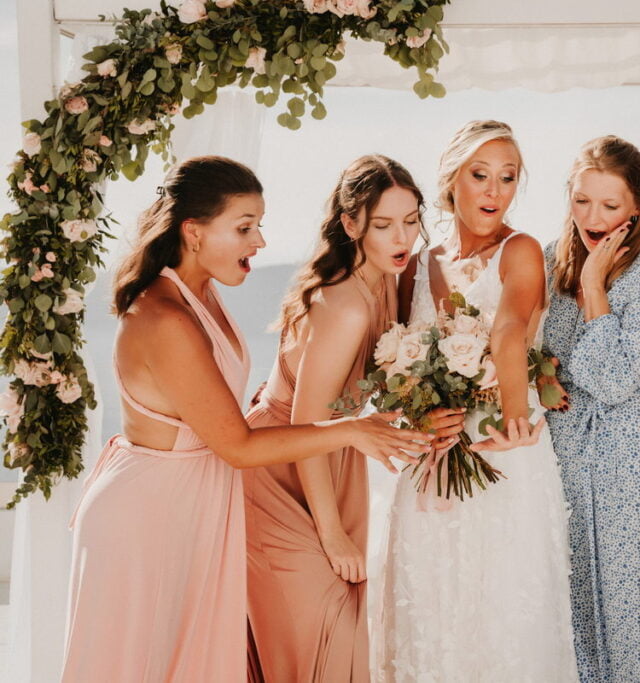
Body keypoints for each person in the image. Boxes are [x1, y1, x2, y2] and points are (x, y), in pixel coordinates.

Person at [62, 156, 429, 683]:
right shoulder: (165, 317)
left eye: (258, 225)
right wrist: (349, 430)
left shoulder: (201, 293)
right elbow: (237, 445)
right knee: (138, 664)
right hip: (150, 511)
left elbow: (231, 398)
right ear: (193, 232)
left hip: (201, 496)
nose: (260, 241)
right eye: (244, 228)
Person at [244, 155, 459, 683]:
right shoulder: (347, 305)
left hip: (334, 459)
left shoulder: (388, 279)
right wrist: (332, 533)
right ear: (351, 223)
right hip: (283, 469)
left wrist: (425, 418)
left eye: (410, 219)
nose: (402, 237)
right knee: (321, 633)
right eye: (383, 225)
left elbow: (371, 393)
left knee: (338, 635)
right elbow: (306, 424)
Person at [376, 120, 578, 682]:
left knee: (503, 611)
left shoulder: (521, 250)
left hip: (503, 455)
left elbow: (509, 331)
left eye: (507, 177)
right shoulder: (418, 264)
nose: (494, 190)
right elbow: (397, 359)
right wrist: (419, 413)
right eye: (480, 175)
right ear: (452, 179)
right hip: (432, 458)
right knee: (434, 610)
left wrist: (515, 418)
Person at [544, 135, 640, 682]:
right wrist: (541, 375)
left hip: (632, 466)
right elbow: (533, 352)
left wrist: (594, 287)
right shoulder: (550, 261)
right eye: (582, 201)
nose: (593, 218)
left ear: (637, 209)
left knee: (630, 625)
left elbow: (616, 380)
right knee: (568, 618)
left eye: (609, 205)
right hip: (561, 462)